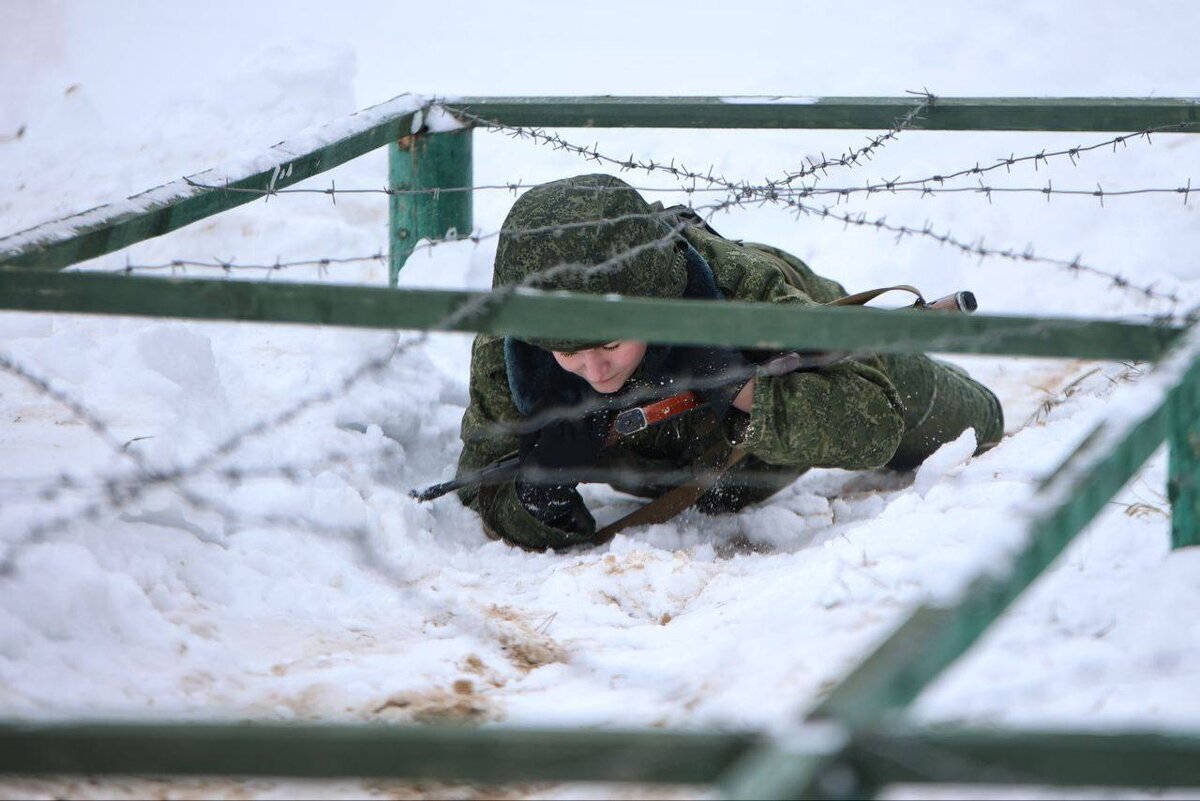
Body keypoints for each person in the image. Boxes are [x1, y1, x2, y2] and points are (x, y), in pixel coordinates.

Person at [455, 173, 1004, 551]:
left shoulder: (743, 288)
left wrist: (738, 386)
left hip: (818, 362)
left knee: (984, 422)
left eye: (609, 345)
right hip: (683, 483)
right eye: (570, 352)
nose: (596, 372)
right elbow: (479, 486)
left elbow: (873, 426)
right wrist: (539, 496)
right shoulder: (514, 349)